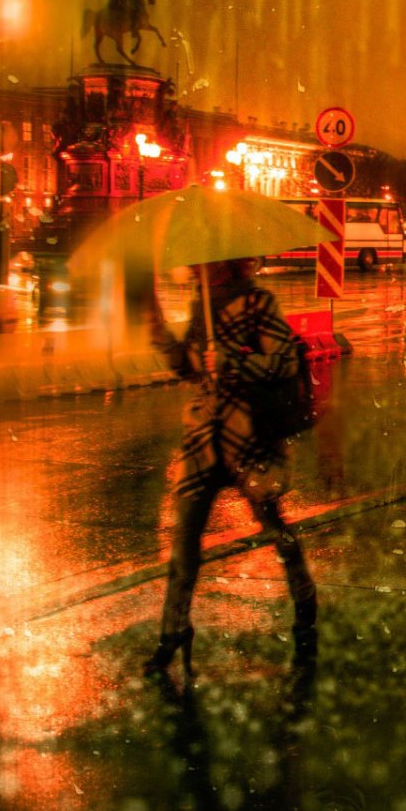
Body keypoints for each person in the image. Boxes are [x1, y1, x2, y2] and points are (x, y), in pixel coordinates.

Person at [144, 257, 318, 676]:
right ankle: (173, 631)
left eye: (204, 263)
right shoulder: (200, 304)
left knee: (274, 526)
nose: (196, 269)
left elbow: (285, 362)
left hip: (250, 437)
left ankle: (305, 600)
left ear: (223, 264)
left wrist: (233, 362)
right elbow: (187, 367)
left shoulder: (258, 303)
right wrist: (154, 321)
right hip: (203, 439)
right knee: (185, 537)